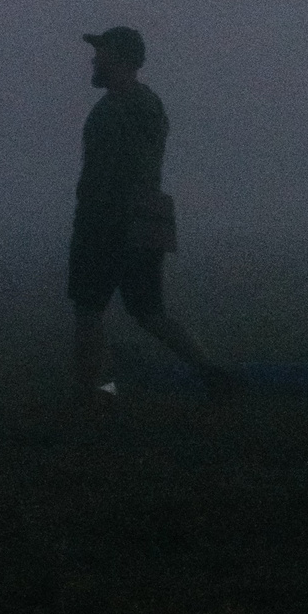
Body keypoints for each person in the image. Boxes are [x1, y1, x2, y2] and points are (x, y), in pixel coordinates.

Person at [68, 26, 235, 401]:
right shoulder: (138, 104)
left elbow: (121, 172)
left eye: (103, 52)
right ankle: (212, 375)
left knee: (90, 310)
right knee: (147, 311)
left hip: (112, 223)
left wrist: (101, 216)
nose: (94, 60)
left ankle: (93, 393)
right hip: (136, 222)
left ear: (124, 60)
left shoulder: (127, 107)